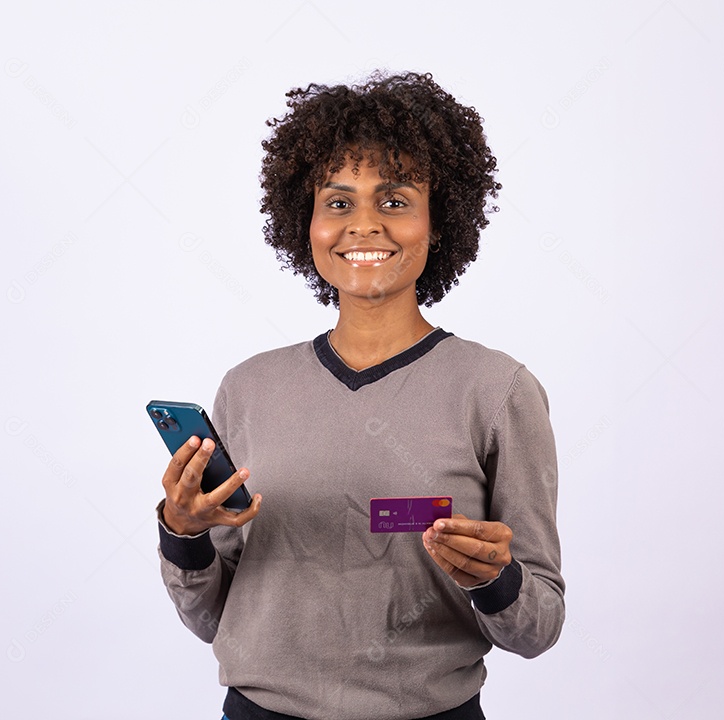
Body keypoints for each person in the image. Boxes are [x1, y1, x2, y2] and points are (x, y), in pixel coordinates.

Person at [155, 71, 564, 720]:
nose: (364, 225)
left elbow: (537, 626)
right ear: (307, 220)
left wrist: (496, 578)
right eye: (339, 202)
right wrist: (183, 534)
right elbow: (211, 619)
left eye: (395, 200)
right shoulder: (249, 387)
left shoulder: (497, 390)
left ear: (440, 220)